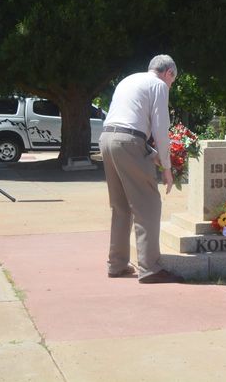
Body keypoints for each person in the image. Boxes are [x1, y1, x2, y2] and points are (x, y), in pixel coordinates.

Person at [100, 54, 183, 283]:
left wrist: (151, 153)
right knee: (148, 204)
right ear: (168, 73)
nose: (170, 85)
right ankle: (150, 268)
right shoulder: (158, 85)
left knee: (120, 206)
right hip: (129, 142)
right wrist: (167, 167)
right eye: (172, 81)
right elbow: (160, 127)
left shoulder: (129, 80)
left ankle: (116, 264)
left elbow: (127, 121)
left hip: (107, 139)